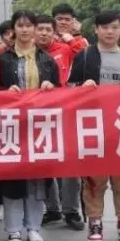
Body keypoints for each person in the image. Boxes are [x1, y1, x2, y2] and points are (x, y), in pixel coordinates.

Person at [69, 11, 120, 241]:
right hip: (94, 127)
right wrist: (82, 87)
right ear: (96, 30)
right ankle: (95, 222)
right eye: (104, 27)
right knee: (94, 179)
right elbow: (69, 89)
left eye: (114, 27)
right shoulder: (85, 56)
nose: (109, 32)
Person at [0, 11, 60, 241]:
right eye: (20, 25)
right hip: (11, 124)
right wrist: (5, 92)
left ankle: (34, 227)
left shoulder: (47, 59)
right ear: (13, 29)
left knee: (37, 178)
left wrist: (51, 86)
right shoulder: (3, 59)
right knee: (13, 177)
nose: (24, 30)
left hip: (38, 125)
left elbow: (61, 91)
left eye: (28, 25)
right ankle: (13, 229)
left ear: (34, 28)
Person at [35, 14, 84, 229]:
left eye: (48, 29)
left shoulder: (65, 50)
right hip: (38, 115)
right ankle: (52, 209)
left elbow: (85, 53)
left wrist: (73, 36)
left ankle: (71, 210)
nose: (44, 33)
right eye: (40, 29)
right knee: (45, 163)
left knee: (70, 163)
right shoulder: (27, 53)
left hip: (66, 112)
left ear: (54, 32)